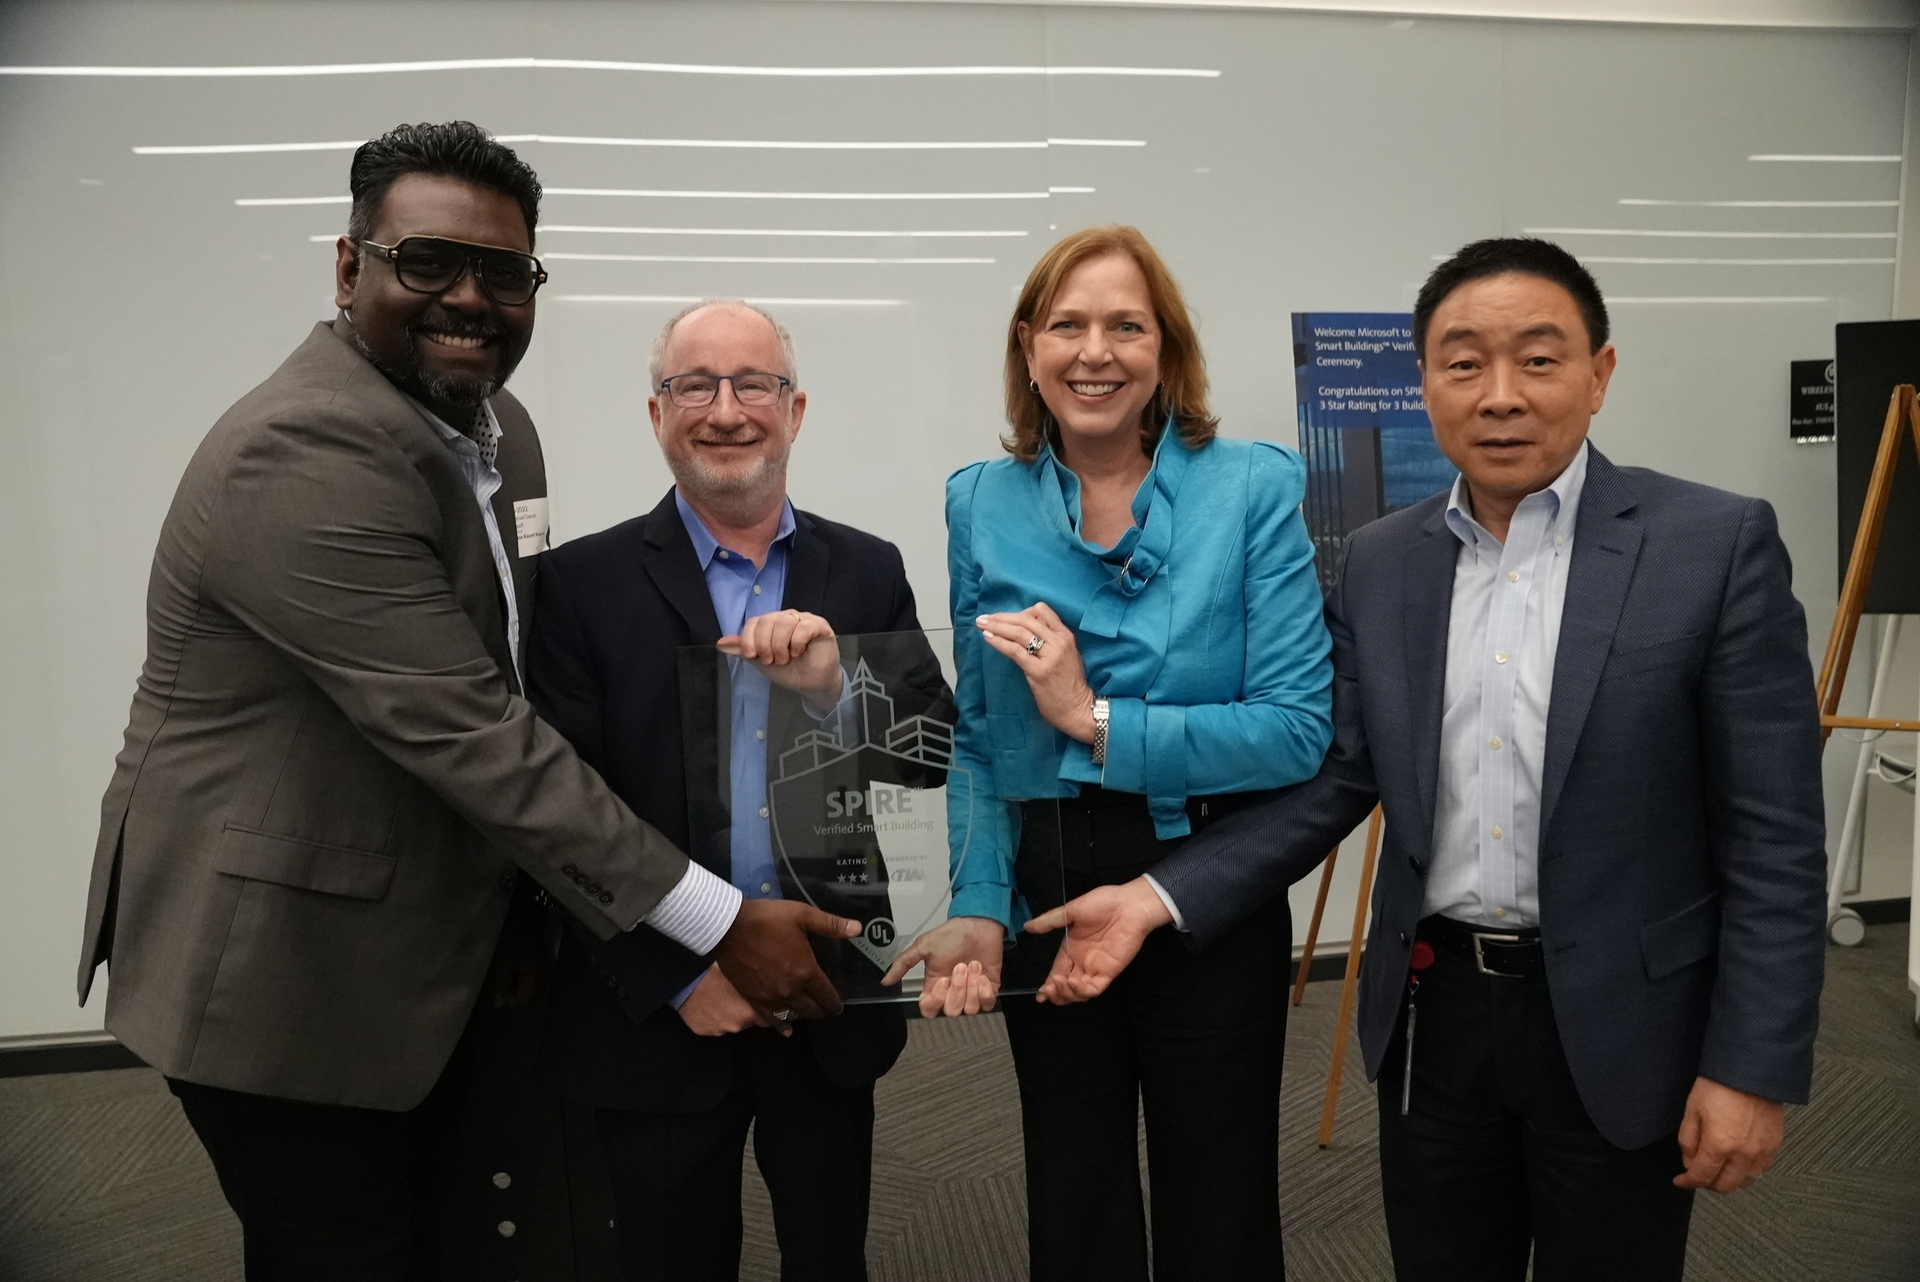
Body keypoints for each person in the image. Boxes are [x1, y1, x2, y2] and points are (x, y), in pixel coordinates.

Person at [75, 124, 858, 1280]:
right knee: (343, 1247)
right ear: (350, 268)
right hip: (286, 967)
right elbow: (474, 734)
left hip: (430, 946)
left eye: (504, 272)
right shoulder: (302, 450)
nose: (469, 298)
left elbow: (508, 665)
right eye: (429, 260)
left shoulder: (498, 430)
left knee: (443, 1237)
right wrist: (717, 922)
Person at [1026, 238, 1828, 1282]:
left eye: (1538, 360)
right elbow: (1337, 777)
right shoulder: (1382, 559)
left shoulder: (1712, 545)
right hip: (1433, 1019)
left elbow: (1775, 835)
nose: (1499, 395)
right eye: (1463, 362)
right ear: (1424, 384)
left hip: (1628, 1026)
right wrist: (1153, 897)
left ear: (1601, 373)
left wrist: (1751, 1066)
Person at [881, 226, 1335, 1281]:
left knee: (1218, 1185)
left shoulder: (1254, 486)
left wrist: (1098, 721)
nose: (1097, 351)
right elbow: (984, 739)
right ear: (1030, 349)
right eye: (1069, 325)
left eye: (1127, 325)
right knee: (1070, 1183)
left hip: (1198, 876)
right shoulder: (978, 501)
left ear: (1166, 351)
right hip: (1045, 871)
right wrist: (981, 903)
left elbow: (1297, 728)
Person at [529, 299, 928, 1281]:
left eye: (753, 383)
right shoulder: (579, 585)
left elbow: (931, 757)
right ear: (657, 415)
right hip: (661, 1007)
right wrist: (675, 974)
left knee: (829, 1256)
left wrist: (839, 692)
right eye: (693, 385)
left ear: (794, 410)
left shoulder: (867, 569)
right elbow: (555, 814)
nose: (725, 408)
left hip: (823, 994)